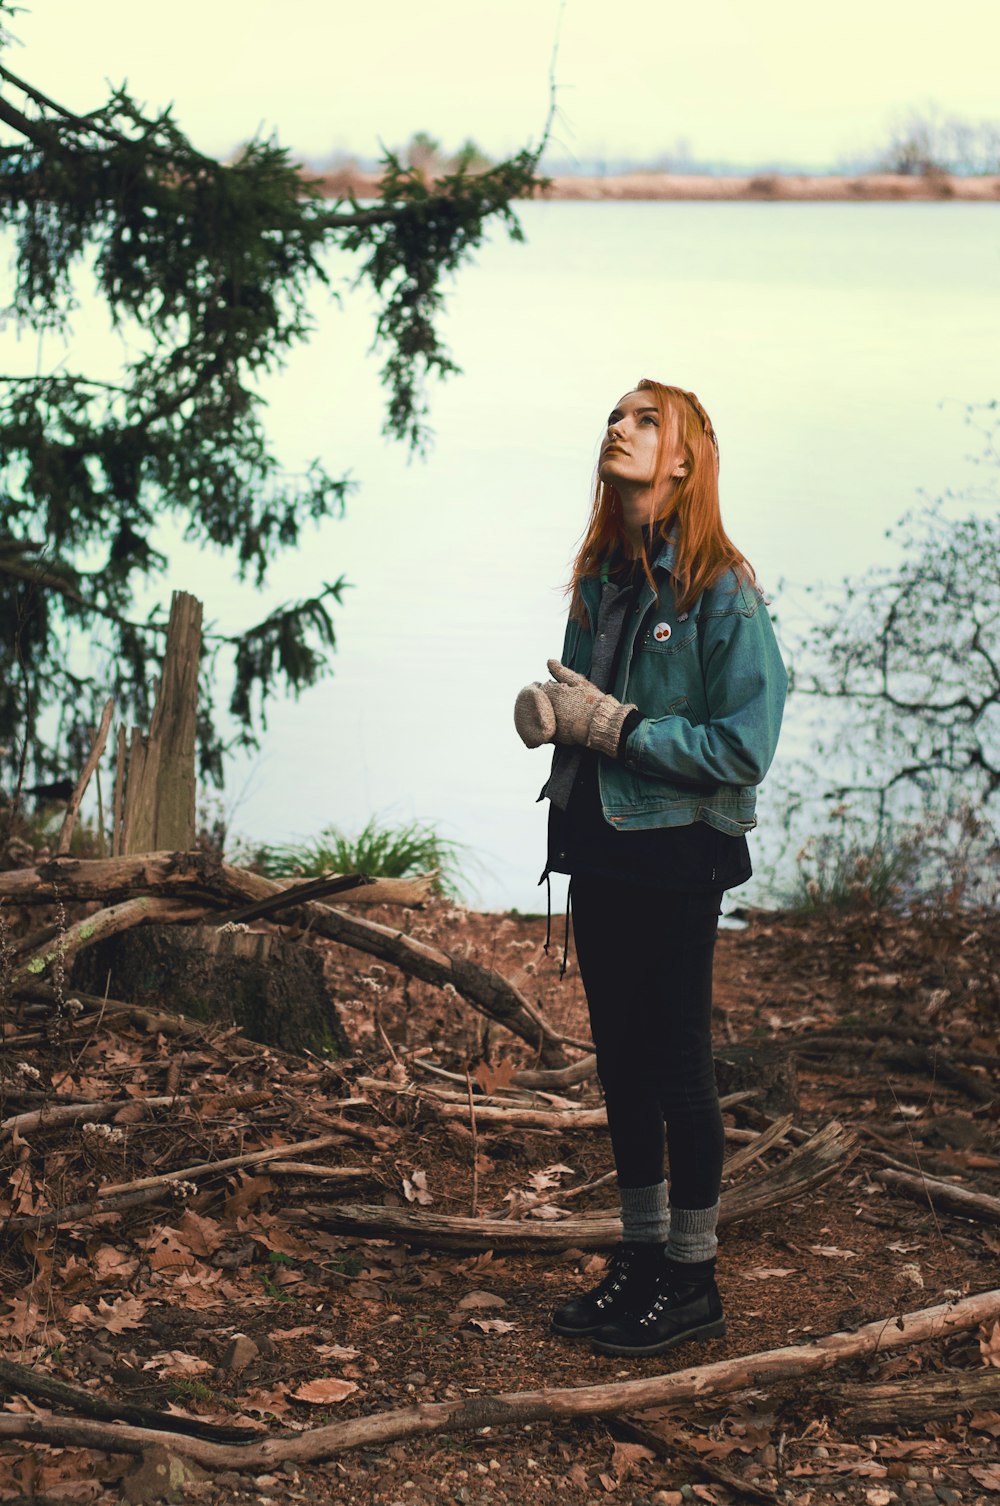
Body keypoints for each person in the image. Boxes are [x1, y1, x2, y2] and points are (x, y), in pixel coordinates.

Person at [513, 380, 787, 1359]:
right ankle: (638, 1260)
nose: (616, 426)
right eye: (611, 415)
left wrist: (617, 727)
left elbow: (743, 748)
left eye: (642, 417)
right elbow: (592, 712)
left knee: (676, 1070)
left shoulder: (722, 590)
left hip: (678, 852)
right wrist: (564, 717)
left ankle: (692, 1280)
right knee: (621, 1066)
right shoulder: (606, 583)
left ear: (682, 457)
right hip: (598, 845)